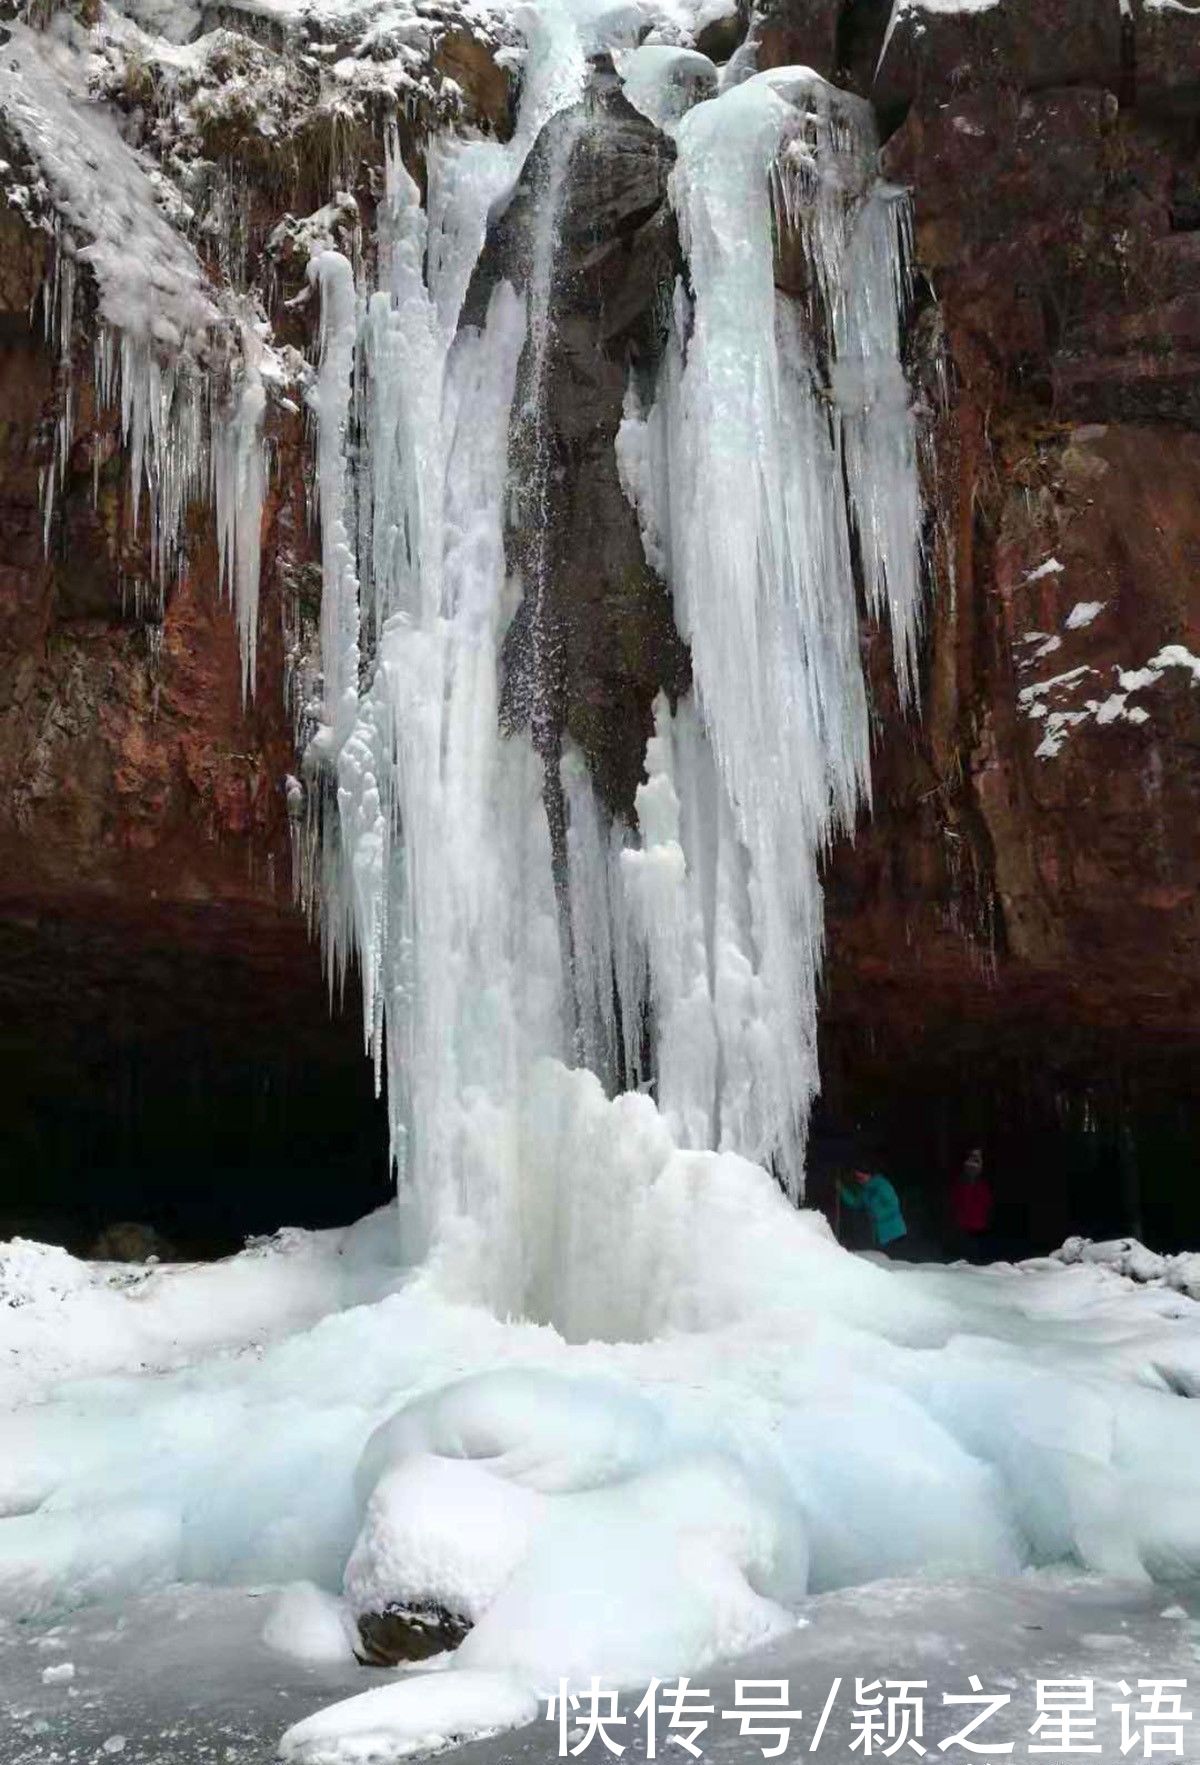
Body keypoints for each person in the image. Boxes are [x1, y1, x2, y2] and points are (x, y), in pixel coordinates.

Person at [838, 1166, 908, 1257]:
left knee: (898, 1263)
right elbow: (856, 1203)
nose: (859, 1181)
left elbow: (893, 1205)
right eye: (857, 1178)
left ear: (869, 1175)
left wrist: (877, 1215)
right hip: (880, 1235)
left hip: (895, 1233)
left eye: (861, 1177)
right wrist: (842, 1189)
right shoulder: (866, 1190)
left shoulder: (882, 1185)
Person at [948, 1145, 994, 1262]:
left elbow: (987, 1206)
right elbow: (954, 1204)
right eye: (970, 1160)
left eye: (976, 1161)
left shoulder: (985, 1185)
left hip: (981, 1230)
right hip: (962, 1229)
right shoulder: (958, 1184)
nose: (972, 1165)